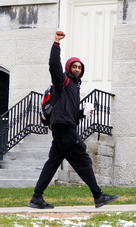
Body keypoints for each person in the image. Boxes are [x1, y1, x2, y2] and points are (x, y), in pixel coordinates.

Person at [28, 31, 119, 209]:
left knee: (53, 162)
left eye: (79, 67)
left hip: (63, 126)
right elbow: (53, 64)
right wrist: (56, 44)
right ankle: (98, 196)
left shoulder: (75, 87)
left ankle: (36, 198)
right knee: (83, 158)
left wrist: (81, 114)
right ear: (69, 68)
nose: (77, 69)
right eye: (74, 66)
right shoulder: (62, 80)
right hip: (63, 127)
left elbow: (67, 109)